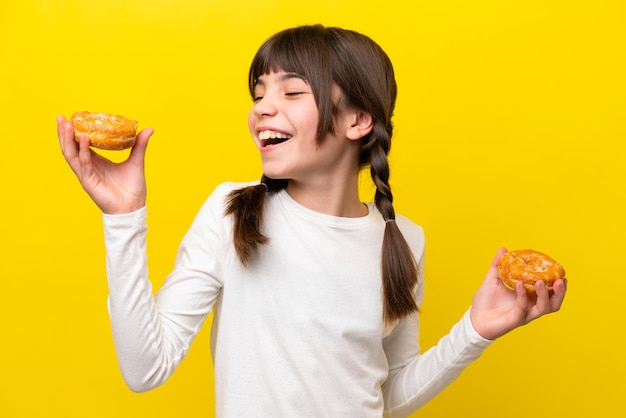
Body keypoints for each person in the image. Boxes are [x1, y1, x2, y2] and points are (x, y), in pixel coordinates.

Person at [57, 24, 566, 418]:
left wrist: (475, 330)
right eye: (258, 94)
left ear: (357, 120)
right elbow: (146, 367)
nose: (262, 108)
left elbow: (386, 393)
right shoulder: (232, 211)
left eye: (291, 92)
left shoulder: (405, 241)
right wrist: (124, 220)